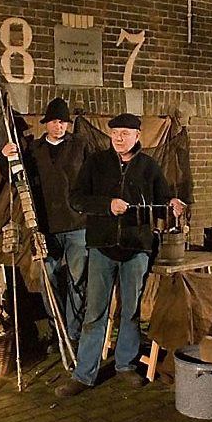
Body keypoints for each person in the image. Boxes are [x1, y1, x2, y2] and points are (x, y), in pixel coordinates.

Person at [55, 113, 186, 397]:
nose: (119, 137)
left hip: (136, 248)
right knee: (95, 311)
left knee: (130, 311)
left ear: (138, 137)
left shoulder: (149, 167)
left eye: (125, 133)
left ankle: (125, 365)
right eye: (115, 132)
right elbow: (77, 198)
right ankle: (84, 375)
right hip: (102, 247)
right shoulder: (96, 164)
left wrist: (172, 203)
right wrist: (106, 205)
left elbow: (161, 201)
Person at [0, 97, 90, 348]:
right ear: (46, 124)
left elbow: (94, 180)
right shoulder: (33, 150)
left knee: (77, 280)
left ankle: (73, 333)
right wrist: (4, 156)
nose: (59, 126)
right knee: (48, 281)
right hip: (44, 226)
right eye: (54, 122)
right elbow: (13, 176)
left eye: (63, 122)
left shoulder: (80, 146)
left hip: (77, 225)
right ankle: (57, 329)